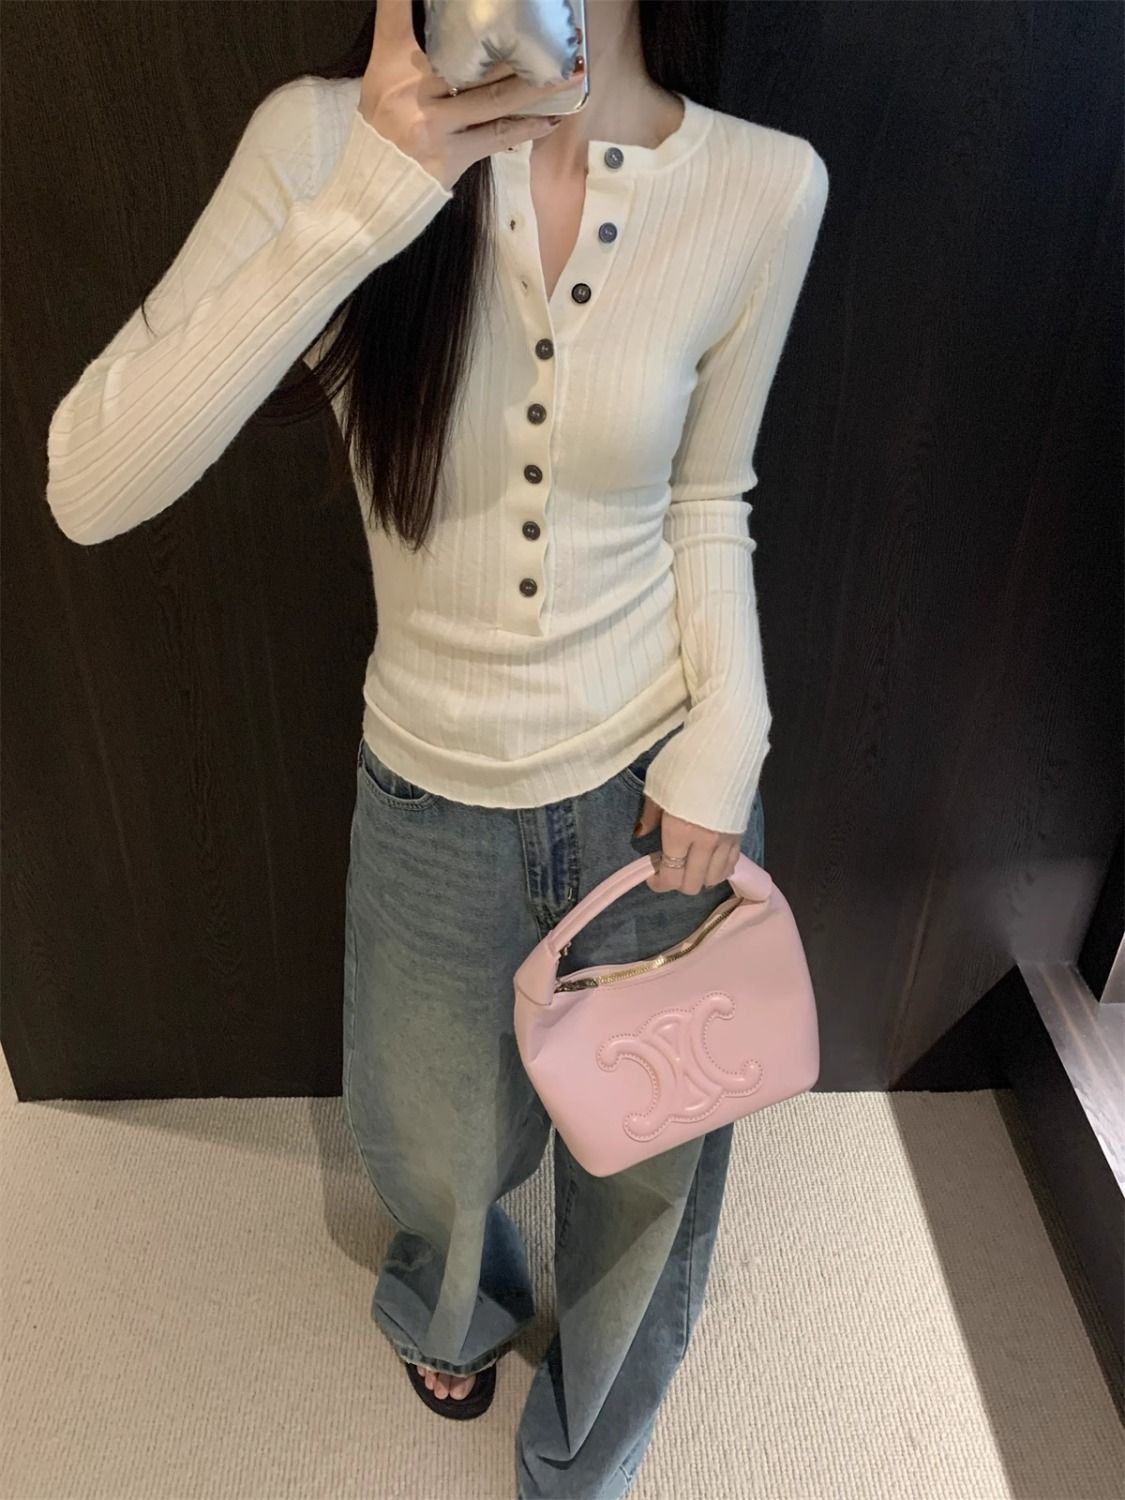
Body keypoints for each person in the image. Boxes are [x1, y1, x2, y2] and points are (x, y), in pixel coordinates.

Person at [45, 1, 828, 1494]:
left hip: (656, 787)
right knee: (433, 1158)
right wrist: (369, 201)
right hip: (427, 793)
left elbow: (709, 495)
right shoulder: (318, 140)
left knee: (652, 1167)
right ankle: (453, 1308)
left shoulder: (764, 183)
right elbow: (89, 483)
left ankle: (586, 1452)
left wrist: (729, 735)